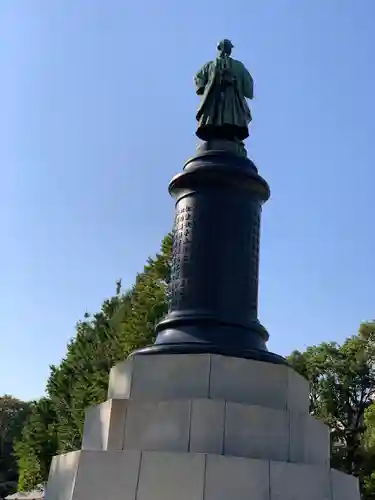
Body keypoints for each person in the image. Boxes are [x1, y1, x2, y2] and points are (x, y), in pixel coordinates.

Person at [195, 39, 254, 142]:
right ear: (220, 48)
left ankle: (232, 133)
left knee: (232, 116)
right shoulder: (211, 65)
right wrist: (202, 87)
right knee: (213, 115)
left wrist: (234, 80)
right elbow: (199, 76)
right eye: (226, 47)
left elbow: (247, 80)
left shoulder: (238, 65)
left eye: (229, 48)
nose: (228, 50)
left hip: (232, 96)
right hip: (214, 96)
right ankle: (213, 132)